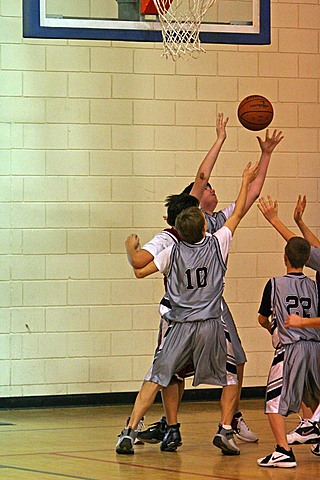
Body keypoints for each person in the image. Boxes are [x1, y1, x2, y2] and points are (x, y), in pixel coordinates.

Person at [133, 126, 284, 447]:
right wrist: (219, 140)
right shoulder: (181, 231)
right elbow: (203, 177)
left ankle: (230, 418)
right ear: (195, 202)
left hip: (211, 305)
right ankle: (166, 423)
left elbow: (252, 194)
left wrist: (266, 155)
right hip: (179, 310)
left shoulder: (215, 225)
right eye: (207, 188)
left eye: (213, 187)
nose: (211, 190)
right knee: (166, 370)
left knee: (236, 361)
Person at [116, 161, 259, 456]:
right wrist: (245, 180)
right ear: (205, 226)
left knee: (157, 376)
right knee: (231, 375)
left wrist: (131, 248)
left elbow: (139, 271)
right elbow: (240, 212)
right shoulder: (218, 243)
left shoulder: (171, 251)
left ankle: (130, 432)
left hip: (180, 325)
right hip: (210, 325)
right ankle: (225, 429)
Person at [258, 194, 320, 457]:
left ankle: (283, 451)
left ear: (284, 258)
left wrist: (275, 220)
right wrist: (298, 221)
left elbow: (305, 252)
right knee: (313, 396)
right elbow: (310, 250)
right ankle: (312, 427)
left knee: (275, 402)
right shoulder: (314, 287)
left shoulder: (276, 283)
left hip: (293, 347)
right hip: (314, 347)